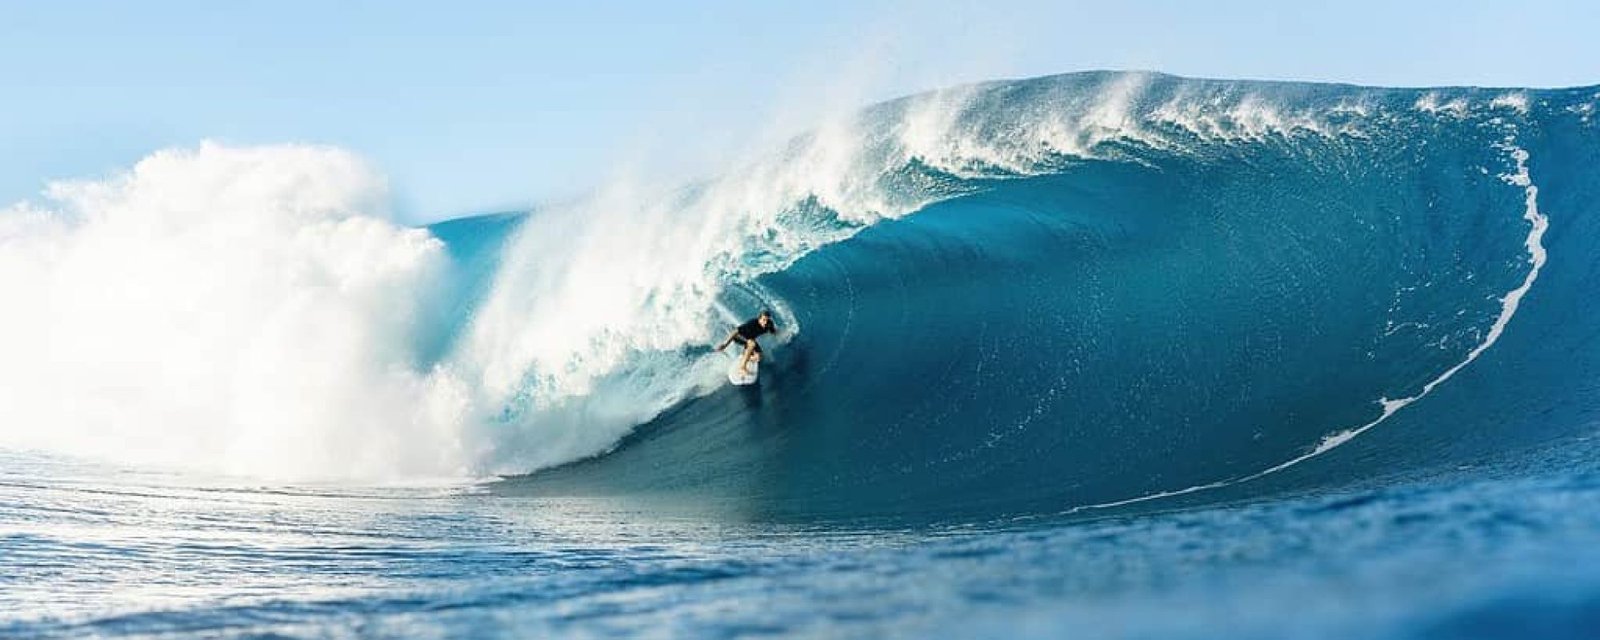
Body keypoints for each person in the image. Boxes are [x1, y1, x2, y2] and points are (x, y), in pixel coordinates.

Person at [716, 309, 779, 376]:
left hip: (750, 339)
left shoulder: (769, 324)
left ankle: (745, 355)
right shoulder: (752, 323)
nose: (765, 322)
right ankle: (742, 367)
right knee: (752, 343)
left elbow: (774, 332)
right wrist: (725, 344)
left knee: (759, 357)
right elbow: (736, 331)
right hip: (739, 337)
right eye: (763, 320)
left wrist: (780, 334)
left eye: (767, 320)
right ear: (759, 319)